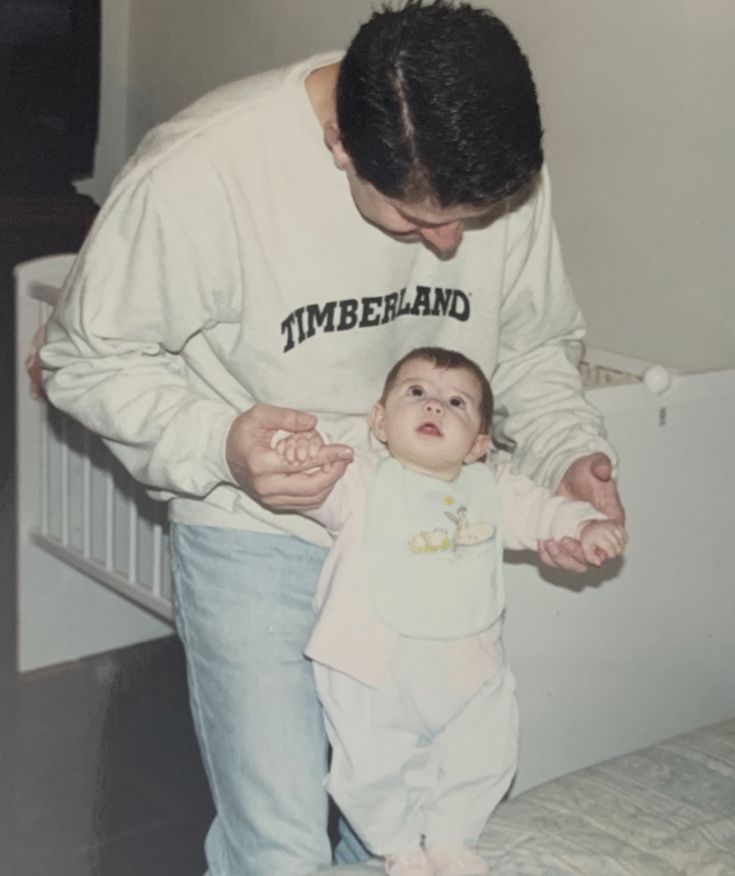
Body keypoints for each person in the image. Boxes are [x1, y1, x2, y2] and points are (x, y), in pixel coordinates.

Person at [40, 2, 625, 874]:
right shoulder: (201, 172)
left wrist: (566, 453)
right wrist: (220, 443)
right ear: (340, 144)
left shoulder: (482, 164)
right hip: (253, 527)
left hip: (428, 540)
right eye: (415, 218)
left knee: (399, 828)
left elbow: (533, 343)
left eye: (475, 215)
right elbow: (77, 360)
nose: (450, 242)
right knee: (279, 843)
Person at [272, 347, 627, 876]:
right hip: (374, 664)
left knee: (487, 747)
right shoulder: (361, 481)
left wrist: (582, 524)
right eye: (416, 393)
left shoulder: (491, 489)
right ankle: (397, 845)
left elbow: (541, 510)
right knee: (369, 764)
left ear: (480, 443)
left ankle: (451, 837)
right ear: (379, 421)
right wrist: (293, 451)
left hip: (466, 661)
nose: (434, 406)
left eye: (456, 402)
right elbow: (305, 482)